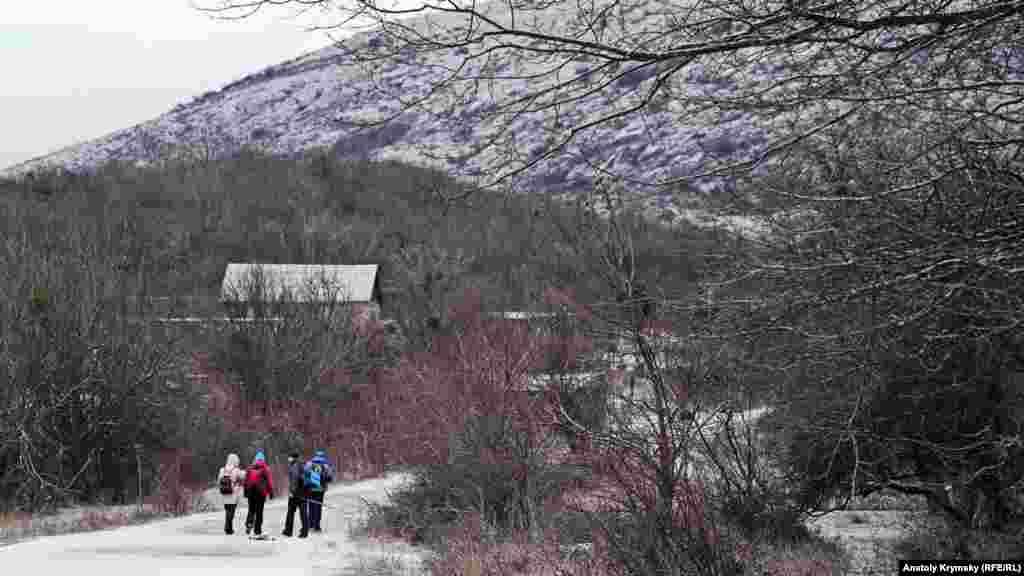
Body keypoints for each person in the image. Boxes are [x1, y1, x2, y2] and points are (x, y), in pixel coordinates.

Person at [243, 451, 274, 536]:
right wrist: (271, 492)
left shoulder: (250, 468)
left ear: (255, 459)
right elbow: (269, 482)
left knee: (251, 509)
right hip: (261, 493)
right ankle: (257, 530)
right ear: (263, 459)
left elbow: (245, 481)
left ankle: (249, 523)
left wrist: (245, 491)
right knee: (259, 511)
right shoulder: (265, 468)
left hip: (251, 492)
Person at [303, 449, 335, 532]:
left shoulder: (309, 463)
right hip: (320, 489)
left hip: (310, 489)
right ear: (323, 456)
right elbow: (330, 476)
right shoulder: (325, 465)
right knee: (318, 506)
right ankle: (317, 526)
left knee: (311, 506)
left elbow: (304, 473)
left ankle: (310, 525)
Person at [216, 453, 245, 534]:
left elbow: (219, 480)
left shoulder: (222, 469)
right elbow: (243, 476)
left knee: (227, 510)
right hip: (233, 493)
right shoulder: (236, 470)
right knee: (231, 511)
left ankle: (229, 527)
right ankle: (228, 528)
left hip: (224, 492)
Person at [282, 451, 308, 538]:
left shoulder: (295, 466)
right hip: (304, 492)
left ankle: (288, 531)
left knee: (290, 512)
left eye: (290, 457)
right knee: (303, 512)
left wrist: (292, 492)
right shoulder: (303, 464)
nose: (289, 459)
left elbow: (294, 479)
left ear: (293, 458)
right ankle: (304, 531)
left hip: (296, 493)